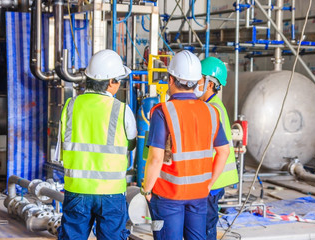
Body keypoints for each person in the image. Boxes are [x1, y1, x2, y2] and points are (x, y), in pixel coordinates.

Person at [142, 50, 230, 240]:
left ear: (171, 80)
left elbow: (156, 158)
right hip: (199, 194)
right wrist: (209, 184)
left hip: (168, 196)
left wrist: (147, 189)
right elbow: (224, 151)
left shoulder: (162, 112)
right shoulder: (211, 112)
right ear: (197, 82)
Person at [58, 49, 136, 240]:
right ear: (111, 82)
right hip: (111, 193)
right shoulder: (122, 110)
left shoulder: (70, 106)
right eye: (119, 80)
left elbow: (63, 144)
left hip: (77, 189)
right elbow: (131, 144)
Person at [194, 56, 239, 240]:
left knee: (205, 229)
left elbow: (213, 150)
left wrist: (208, 183)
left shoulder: (213, 109)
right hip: (213, 180)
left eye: (199, 80)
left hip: (212, 182)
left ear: (210, 84)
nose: (195, 84)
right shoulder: (208, 106)